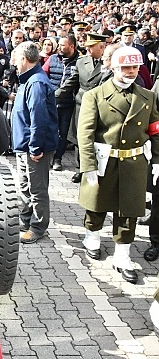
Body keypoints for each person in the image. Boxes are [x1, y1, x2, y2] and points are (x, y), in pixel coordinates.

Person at [77, 46, 159, 284]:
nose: (131, 71)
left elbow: (155, 130)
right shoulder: (96, 95)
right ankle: (92, 237)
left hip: (134, 161)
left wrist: (156, 160)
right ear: (113, 67)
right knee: (97, 204)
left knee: (129, 210)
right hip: (106, 158)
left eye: (135, 67)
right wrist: (88, 164)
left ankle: (122, 255)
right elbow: (86, 133)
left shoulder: (147, 96)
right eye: (126, 67)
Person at [10, 42, 59, 244]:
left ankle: (38, 227)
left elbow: (39, 118)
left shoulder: (36, 83)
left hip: (34, 148)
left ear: (24, 59)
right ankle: (26, 220)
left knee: (36, 188)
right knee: (25, 186)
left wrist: (35, 147)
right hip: (25, 147)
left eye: (15, 59)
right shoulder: (28, 80)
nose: (14, 64)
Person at [57, 33, 108, 183]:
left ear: (102, 47)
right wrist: (54, 97)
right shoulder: (81, 62)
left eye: (91, 47)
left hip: (101, 106)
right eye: (87, 47)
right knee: (80, 138)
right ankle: (82, 169)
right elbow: (70, 83)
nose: (88, 50)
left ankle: (98, 167)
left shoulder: (108, 62)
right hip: (82, 106)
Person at [43, 35, 79, 171]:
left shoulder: (79, 62)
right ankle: (47, 155)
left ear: (71, 46)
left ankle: (58, 158)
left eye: (62, 45)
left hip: (68, 104)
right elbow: (43, 74)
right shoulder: (52, 59)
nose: (59, 47)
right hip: (51, 102)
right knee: (48, 129)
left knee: (63, 133)